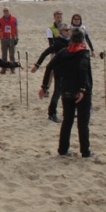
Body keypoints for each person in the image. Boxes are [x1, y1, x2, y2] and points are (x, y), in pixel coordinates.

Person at [38, 29, 94, 157]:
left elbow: (49, 66)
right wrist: (82, 89)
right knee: (82, 123)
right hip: (82, 93)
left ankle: (62, 150)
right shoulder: (83, 53)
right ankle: (85, 151)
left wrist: (45, 87)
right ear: (82, 40)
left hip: (66, 90)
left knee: (67, 121)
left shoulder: (64, 52)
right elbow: (83, 70)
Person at [32, 23, 71, 123]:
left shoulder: (71, 41)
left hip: (68, 70)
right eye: (66, 30)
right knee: (58, 92)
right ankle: (52, 113)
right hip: (59, 70)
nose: (68, 32)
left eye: (69, 30)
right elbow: (45, 53)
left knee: (68, 92)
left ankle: (67, 112)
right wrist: (37, 65)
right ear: (61, 32)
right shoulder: (57, 43)